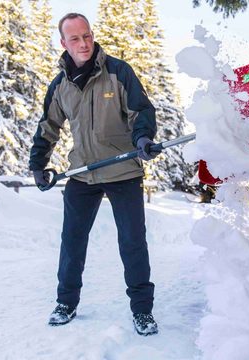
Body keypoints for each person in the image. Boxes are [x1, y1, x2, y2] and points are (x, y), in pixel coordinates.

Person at [29, 13, 160, 336]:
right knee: (72, 242)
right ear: (63, 43)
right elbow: (48, 127)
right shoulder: (60, 86)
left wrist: (142, 138)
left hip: (123, 170)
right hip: (82, 173)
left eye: (86, 36)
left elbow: (141, 111)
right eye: (75, 39)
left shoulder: (117, 72)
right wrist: (37, 165)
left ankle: (142, 311)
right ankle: (66, 303)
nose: (83, 43)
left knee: (132, 243)